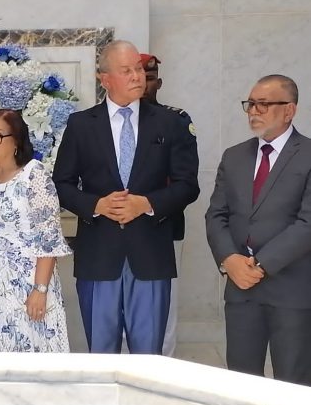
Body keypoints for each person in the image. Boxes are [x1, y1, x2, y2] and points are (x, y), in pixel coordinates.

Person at [52, 40, 199, 354]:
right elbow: (61, 184)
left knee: (148, 360)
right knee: (101, 357)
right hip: (98, 257)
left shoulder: (170, 123)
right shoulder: (81, 125)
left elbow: (188, 185)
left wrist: (147, 204)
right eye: (126, 70)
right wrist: (96, 205)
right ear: (105, 79)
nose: (137, 76)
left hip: (150, 256)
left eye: (139, 69)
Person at [206, 74, 311, 386]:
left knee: (293, 386)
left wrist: (261, 266)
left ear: (289, 110)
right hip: (241, 290)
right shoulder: (234, 156)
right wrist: (230, 260)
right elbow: (216, 215)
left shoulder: (307, 154)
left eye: (263, 104)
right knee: (241, 384)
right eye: (250, 104)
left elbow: (307, 223)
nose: (253, 111)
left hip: (291, 290)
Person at [0, 109, 71, 352]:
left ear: (16, 140)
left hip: (25, 281)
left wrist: (40, 290)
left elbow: (47, 238)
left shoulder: (34, 175)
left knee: (26, 349)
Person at [141, 53, 195, 357]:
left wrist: (148, 205)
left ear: (158, 82)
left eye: (150, 77)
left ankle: (163, 368)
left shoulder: (176, 120)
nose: (144, 83)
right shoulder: (102, 123)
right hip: (116, 230)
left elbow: (184, 182)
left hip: (164, 226)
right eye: (138, 75)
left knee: (164, 306)